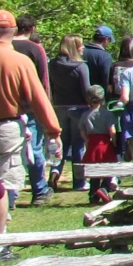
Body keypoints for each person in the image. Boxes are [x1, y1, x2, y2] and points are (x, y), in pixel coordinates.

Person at [0, 11, 62, 231]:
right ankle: (0, 234)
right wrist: (53, 131)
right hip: (8, 126)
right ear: (14, 30)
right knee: (5, 182)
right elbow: (39, 98)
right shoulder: (20, 60)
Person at [13, 14, 54, 200]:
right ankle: (39, 190)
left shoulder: (5, 47)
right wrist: (47, 107)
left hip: (7, 107)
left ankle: (10, 192)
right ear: (32, 29)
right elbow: (43, 82)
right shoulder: (35, 49)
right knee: (35, 148)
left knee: (10, 151)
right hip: (30, 106)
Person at [48, 35, 96, 193]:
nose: (83, 48)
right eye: (80, 45)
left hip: (59, 106)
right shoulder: (81, 66)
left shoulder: (53, 64)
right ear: (74, 47)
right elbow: (86, 89)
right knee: (78, 145)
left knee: (61, 144)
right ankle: (79, 181)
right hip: (78, 107)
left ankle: (55, 171)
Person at [81, 85, 120, 202]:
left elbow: (82, 132)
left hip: (92, 144)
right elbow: (112, 130)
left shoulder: (85, 115)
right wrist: (114, 141)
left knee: (94, 171)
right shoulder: (107, 114)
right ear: (103, 99)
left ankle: (93, 193)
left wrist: (87, 140)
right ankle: (104, 187)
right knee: (109, 168)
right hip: (105, 144)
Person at [83, 25, 117, 98]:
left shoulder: (81, 51)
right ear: (106, 39)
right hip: (97, 97)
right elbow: (106, 78)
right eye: (109, 40)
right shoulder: (105, 56)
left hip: (81, 95)